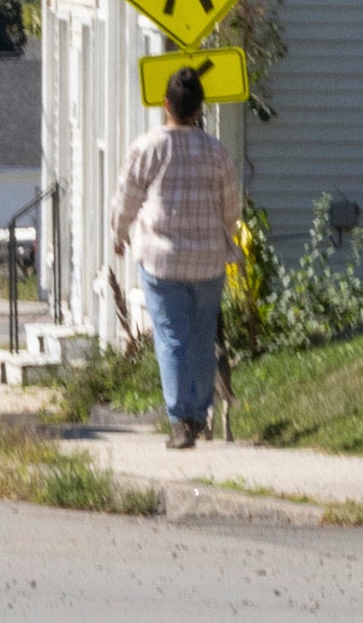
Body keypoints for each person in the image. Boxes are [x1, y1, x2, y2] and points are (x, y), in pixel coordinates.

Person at [107, 69, 241, 448]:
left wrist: (118, 236)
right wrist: (225, 233)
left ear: (166, 104)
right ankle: (199, 413)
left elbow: (125, 201)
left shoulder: (147, 149)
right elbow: (231, 206)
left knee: (171, 338)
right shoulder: (217, 152)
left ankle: (180, 419)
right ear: (200, 108)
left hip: (160, 261)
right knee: (201, 337)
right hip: (208, 260)